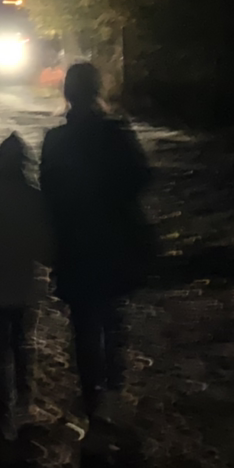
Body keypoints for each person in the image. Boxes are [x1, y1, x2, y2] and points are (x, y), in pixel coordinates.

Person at [40, 62, 153, 424]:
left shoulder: (55, 139)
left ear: (67, 93)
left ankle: (92, 397)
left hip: (75, 242)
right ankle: (114, 389)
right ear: (98, 90)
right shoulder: (116, 132)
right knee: (112, 315)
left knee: (84, 324)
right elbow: (142, 176)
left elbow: (48, 193)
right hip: (113, 237)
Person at [0, 133, 54, 440]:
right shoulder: (34, 199)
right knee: (23, 344)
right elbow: (46, 246)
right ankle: (24, 403)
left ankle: (2, 413)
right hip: (24, 285)